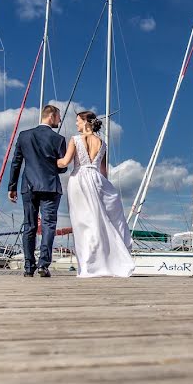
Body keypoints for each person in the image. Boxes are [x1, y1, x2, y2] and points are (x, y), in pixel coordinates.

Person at [56, 111, 134, 277]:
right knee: (99, 220)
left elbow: (64, 162)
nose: (76, 124)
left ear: (85, 122)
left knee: (83, 222)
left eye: (77, 121)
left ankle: (88, 264)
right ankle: (104, 261)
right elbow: (104, 171)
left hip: (79, 180)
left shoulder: (75, 140)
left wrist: (47, 160)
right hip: (98, 180)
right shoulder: (103, 143)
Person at [8, 104, 67, 277]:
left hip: (28, 186)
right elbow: (62, 167)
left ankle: (28, 267)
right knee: (48, 225)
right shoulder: (58, 139)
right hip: (50, 186)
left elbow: (16, 162)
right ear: (51, 116)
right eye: (58, 117)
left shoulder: (24, 135)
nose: (60, 120)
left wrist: (12, 186)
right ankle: (43, 265)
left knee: (30, 226)